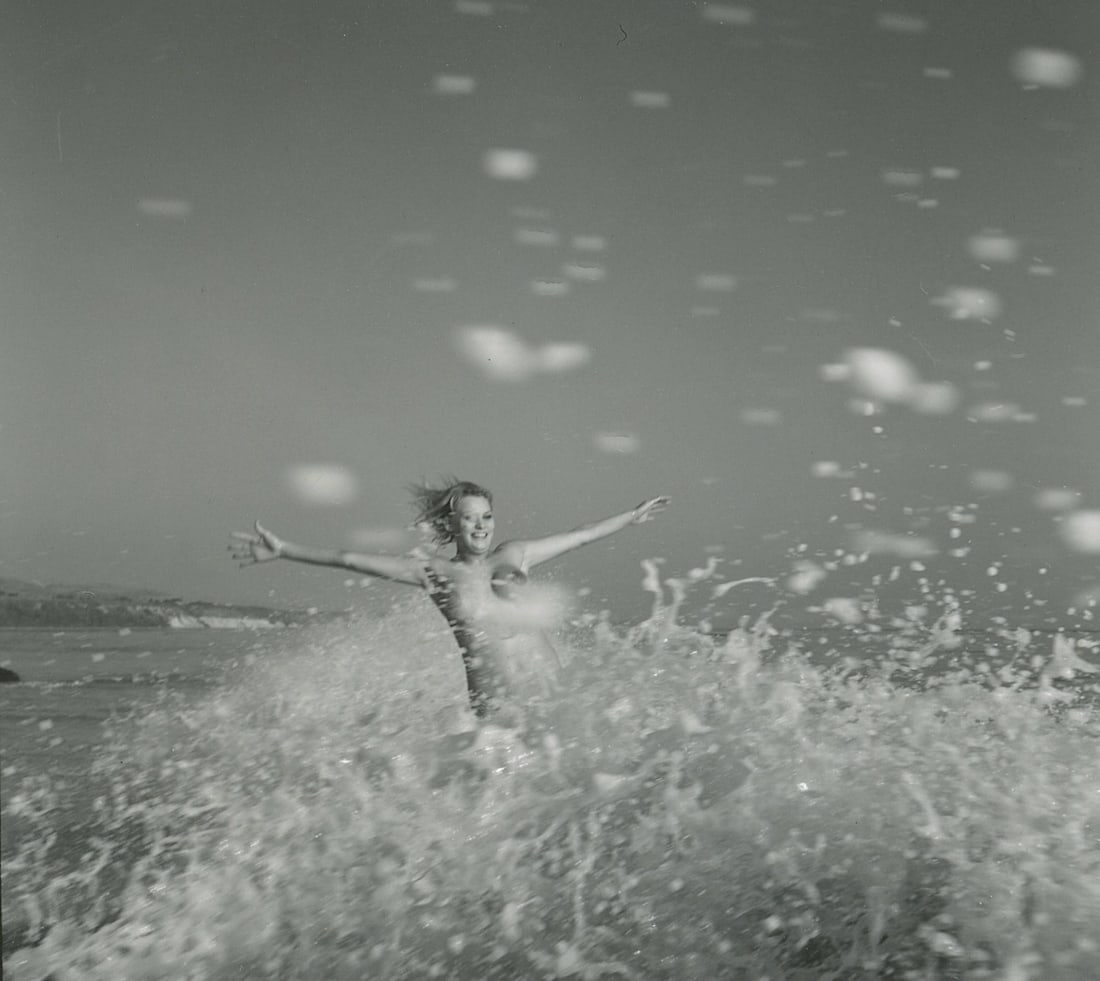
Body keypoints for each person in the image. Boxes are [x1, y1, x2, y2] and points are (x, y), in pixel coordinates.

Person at [230, 479, 669, 729]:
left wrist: (632, 516)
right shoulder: (435, 573)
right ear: (452, 524)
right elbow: (350, 560)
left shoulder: (516, 554)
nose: (481, 526)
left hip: (553, 697)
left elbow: (584, 533)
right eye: (470, 518)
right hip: (496, 712)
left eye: (487, 517)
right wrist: (285, 550)